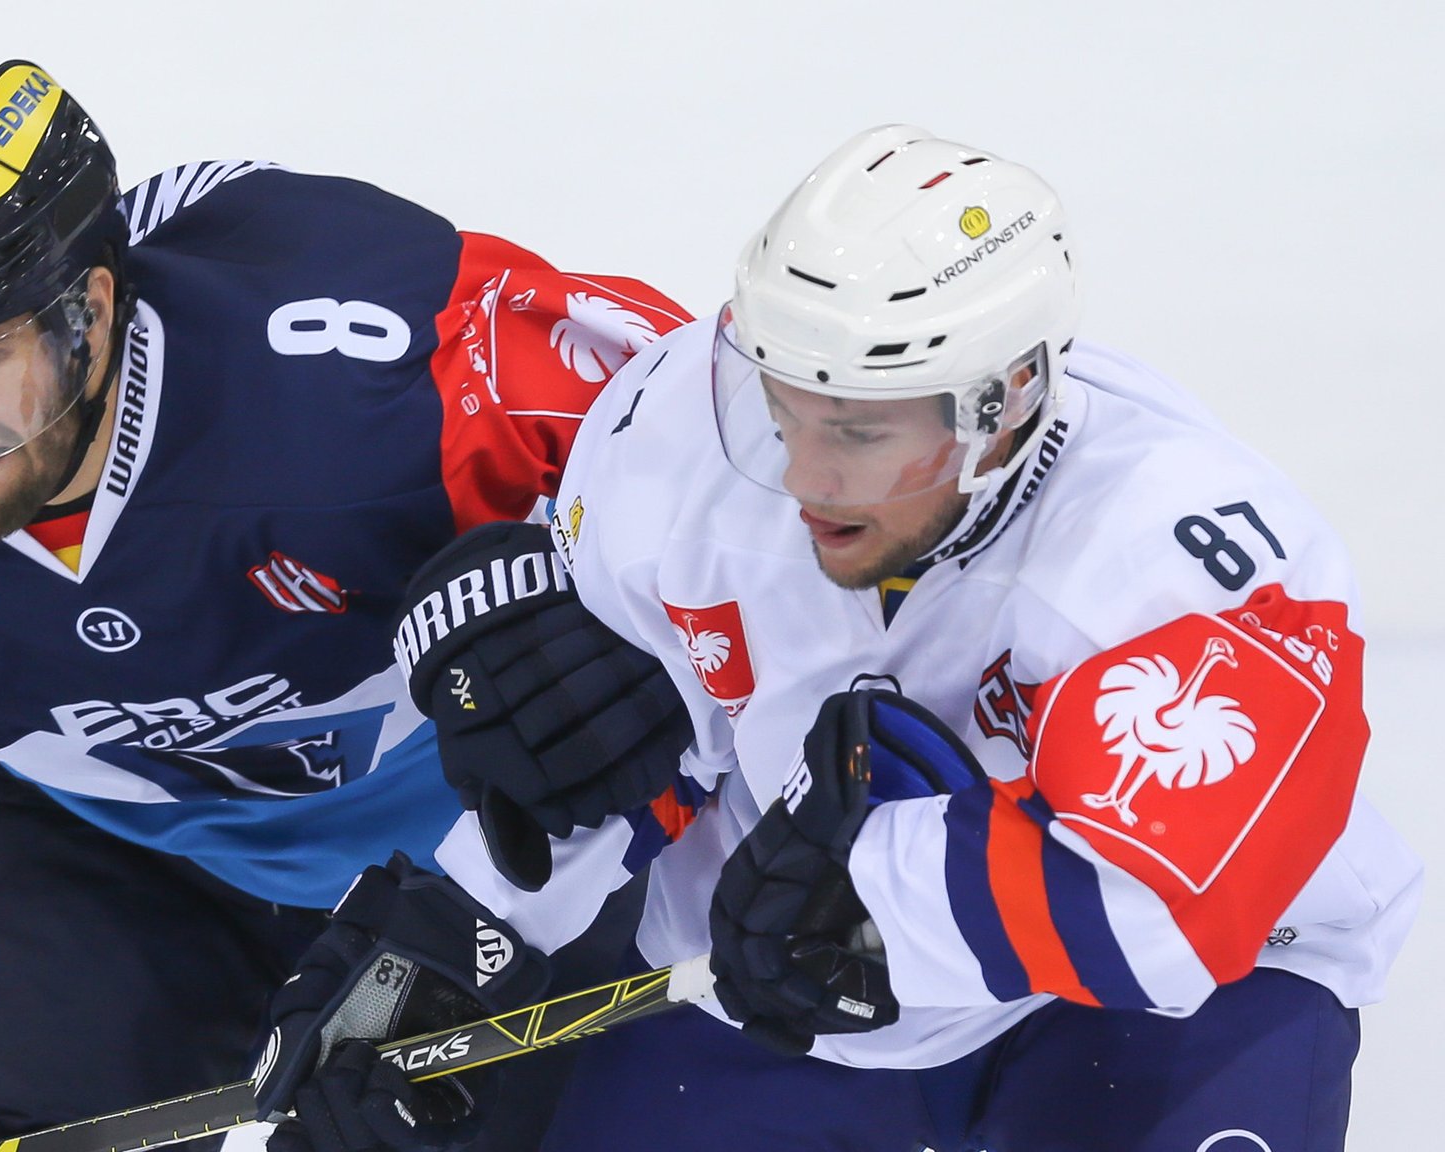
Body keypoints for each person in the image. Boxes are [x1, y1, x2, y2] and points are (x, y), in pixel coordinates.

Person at [256, 125, 1424, 1152]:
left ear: (1002, 398)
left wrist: (866, 898)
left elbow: (1156, 910)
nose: (802, 476)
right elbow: (620, 745)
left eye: (859, 433)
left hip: (1166, 998)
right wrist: (458, 938)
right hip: (778, 995)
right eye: (780, 408)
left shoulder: (1181, 559)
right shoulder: (673, 450)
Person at [0, 59, 692, 1151]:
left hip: (485, 864)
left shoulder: (377, 380)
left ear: (91, 311)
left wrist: (623, 661)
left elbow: (706, 430)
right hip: (127, 865)